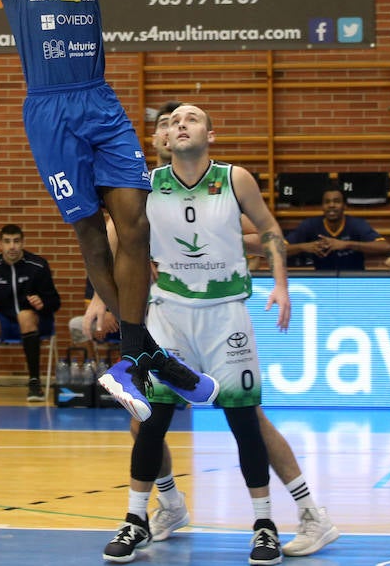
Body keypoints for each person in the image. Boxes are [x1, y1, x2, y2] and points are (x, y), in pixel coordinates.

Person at [0, 0, 214, 421]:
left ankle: (140, 348)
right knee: (91, 234)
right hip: (51, 110)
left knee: (136, 222)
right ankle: (136, 351)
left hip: (100, 98)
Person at [100, 103, 294, 565]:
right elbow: (117, 240)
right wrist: (97, 300)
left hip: (226, 313)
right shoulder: (147, 185)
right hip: (170, 313)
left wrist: (282, 285)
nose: (181, 124)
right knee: (152, 418)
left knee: (243, 420)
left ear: (211, 133)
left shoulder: (234, 179)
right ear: (165, 139)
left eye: (193, 118)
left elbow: (269, 230)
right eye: (174, 121)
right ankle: (135, 518)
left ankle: (264, 524)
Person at [0, 223, 62, 402]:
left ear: (22, 242)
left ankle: (34, 382)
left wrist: (42, 302)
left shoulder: (38, 265)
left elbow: (55, 303)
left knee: (25, 315)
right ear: (0, 244)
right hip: (6, 325)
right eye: (7, 242)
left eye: (16, 241)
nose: (12, 246)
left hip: (35, 323)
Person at [285, 186, 390, 271]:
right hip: (323, 282)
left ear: (344, 205)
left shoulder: (356, 224)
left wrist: (347, 244)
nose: (331, 205)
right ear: (322, 206)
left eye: (336, 201)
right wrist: (303, 247)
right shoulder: (311, 225)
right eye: (327, 202)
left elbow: (385, 247)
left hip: (353, 282)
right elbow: (279, 250)